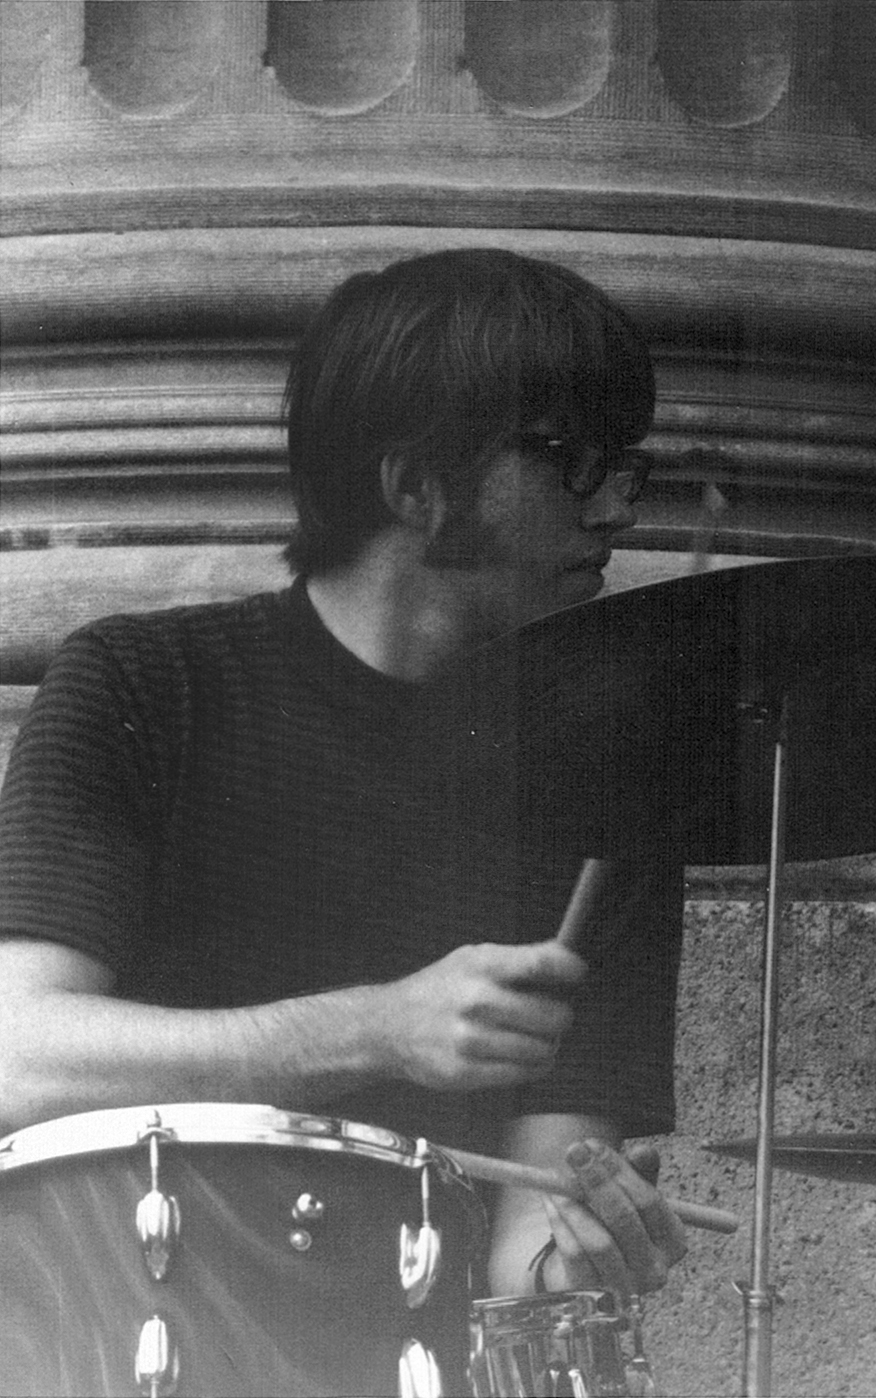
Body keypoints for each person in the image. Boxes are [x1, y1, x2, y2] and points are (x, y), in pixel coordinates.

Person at [0, 249, 687, 1329]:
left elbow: (525, 1251)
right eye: (573, 462)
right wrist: (377, 1029)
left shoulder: (615, 787)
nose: (615, 512)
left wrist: (575, 1269)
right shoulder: (147, 684)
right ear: (415, 487)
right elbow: (16, 1056)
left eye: (625, 469)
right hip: (120, 1337)